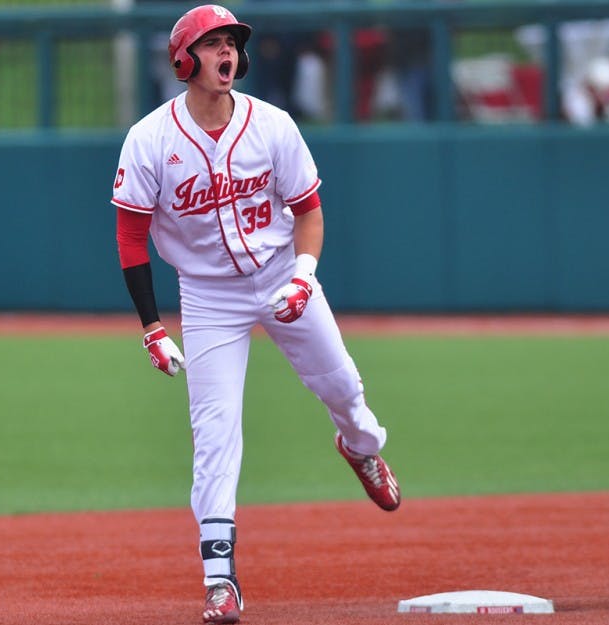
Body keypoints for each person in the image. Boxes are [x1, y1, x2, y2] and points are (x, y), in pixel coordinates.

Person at [109, 5, 402, 624]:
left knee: (344, 386)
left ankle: (360, 445)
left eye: (232, 44)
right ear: (184, 59)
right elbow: (130, 237)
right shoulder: (150, 140)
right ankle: (220, 579)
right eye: (212, 44)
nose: (226, 54)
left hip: (277, 274)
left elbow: (309, 211)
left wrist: (303, 276)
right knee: (215, 434)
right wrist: (151, 328)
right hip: (208, 296)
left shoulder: (272, 125)